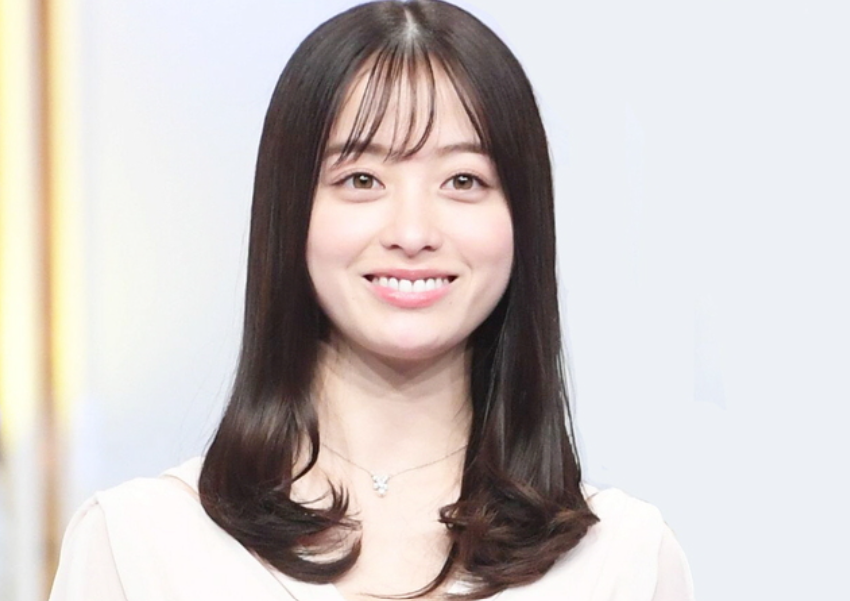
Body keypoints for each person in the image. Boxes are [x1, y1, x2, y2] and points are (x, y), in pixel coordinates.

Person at [49, 1, 695, 599]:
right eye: (362, 178)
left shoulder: (625, 563)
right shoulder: (137, 546)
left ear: (524, 217)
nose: (412, 233)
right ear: (289, 212)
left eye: (463, 180)